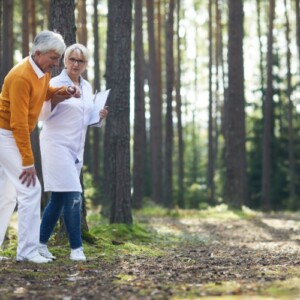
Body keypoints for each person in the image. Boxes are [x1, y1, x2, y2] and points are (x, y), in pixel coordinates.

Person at [0, 30, 80, 264]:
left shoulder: (41, 72)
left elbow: (44, 93)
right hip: (6, 135)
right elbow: (18, 125)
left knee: (7, 194)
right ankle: (27, 251)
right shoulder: (21, 76)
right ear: (37, 53)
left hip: (12, 135)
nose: (56, 64)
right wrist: (28, 162)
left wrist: (64, 91)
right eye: (54, 58)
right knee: (31, 189)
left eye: (58, 58)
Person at [38, 43, 108, 262]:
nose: (76, 64)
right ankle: (76, 248)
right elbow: (42, 114)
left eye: (81, 61)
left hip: (76, 149)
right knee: (74, 195)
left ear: (86, 64)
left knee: (58, 198)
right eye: (72, 59)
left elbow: (86, 119)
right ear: (65, 60)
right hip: (55, 144)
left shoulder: (87, 87)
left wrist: (99, 116)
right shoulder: (55, 83)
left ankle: (39, 244)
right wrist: (62, 97)